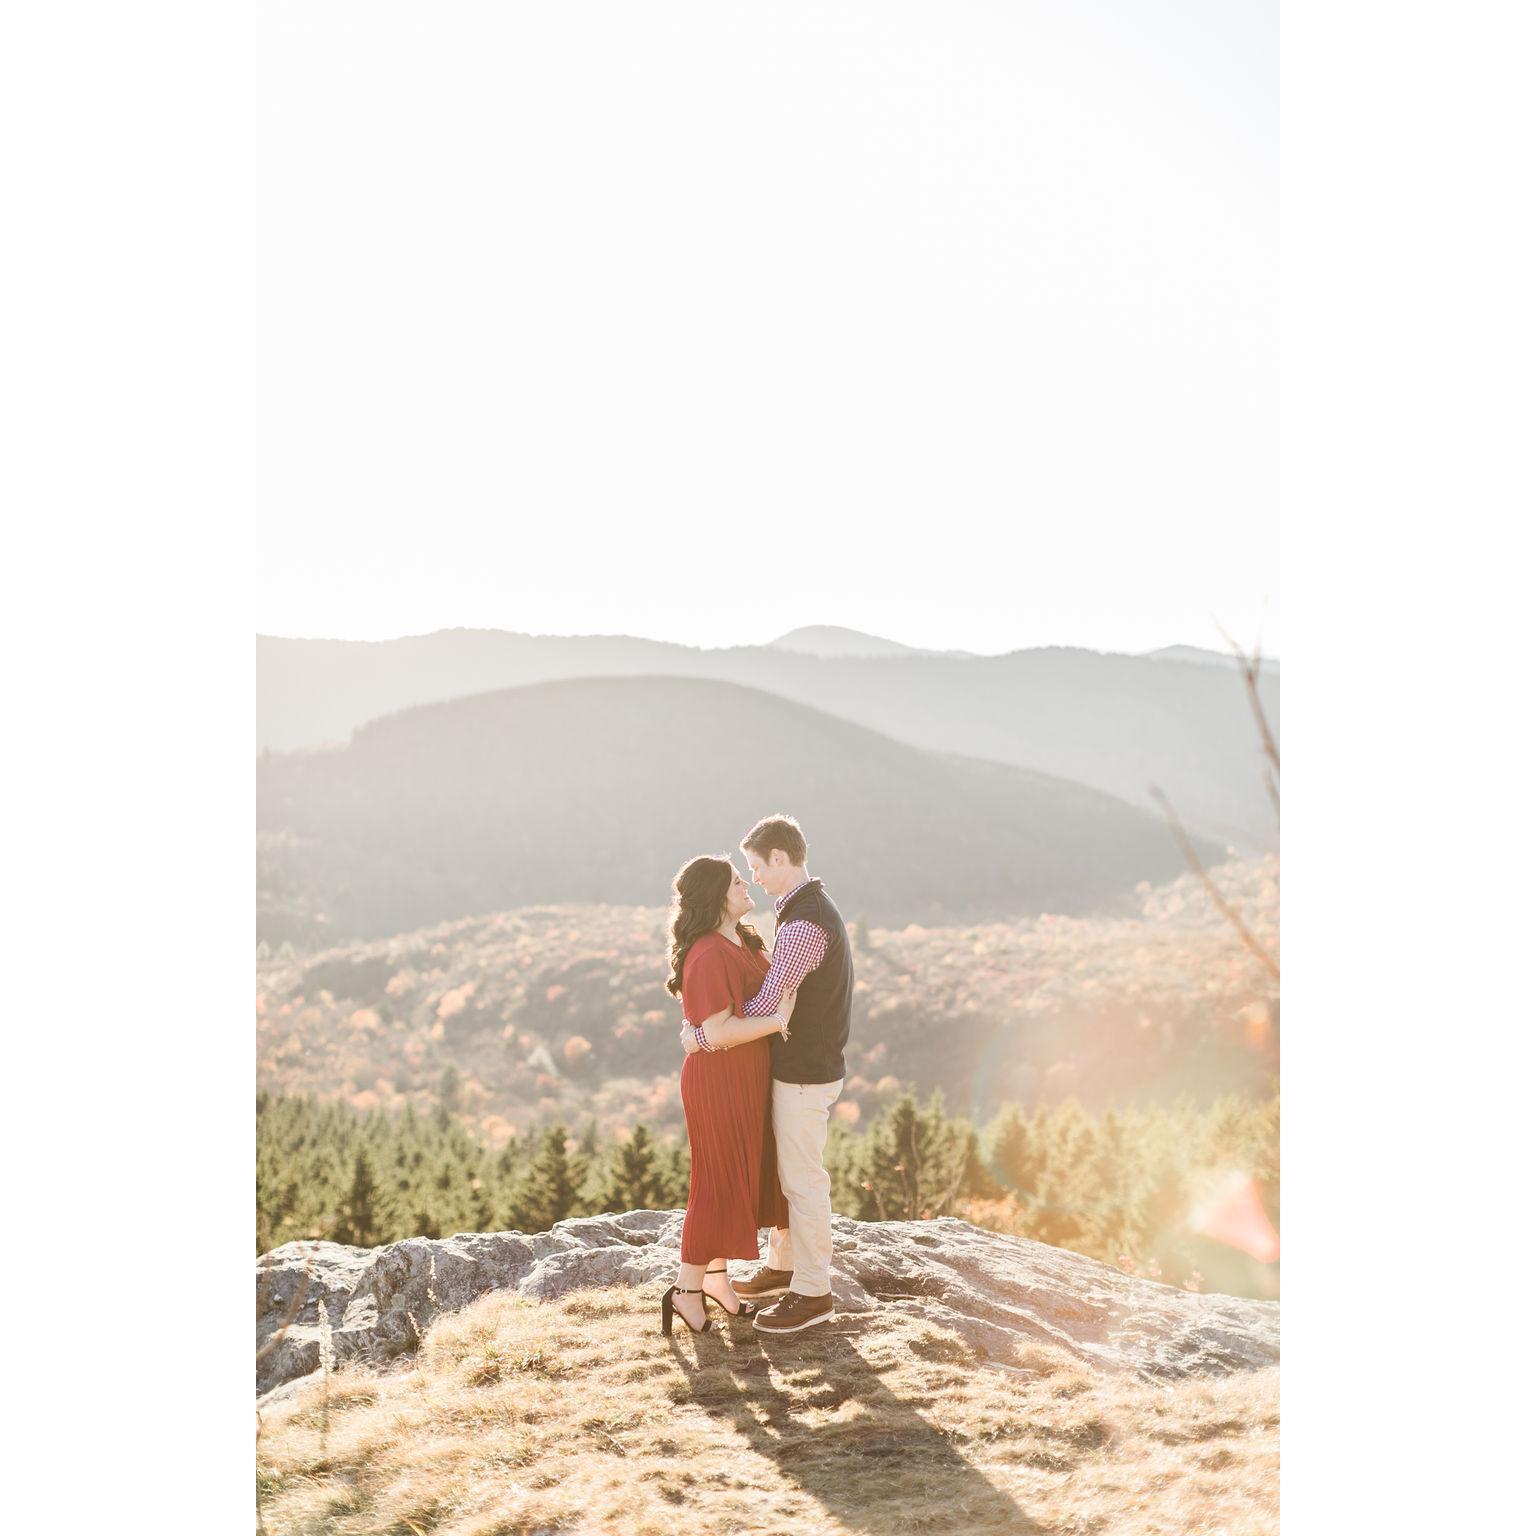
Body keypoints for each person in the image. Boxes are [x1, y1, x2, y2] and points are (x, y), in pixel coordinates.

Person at [681, 813, 853, 1335]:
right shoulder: (800, 911)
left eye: (755, 867)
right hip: (789, 1071)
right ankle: (782, 1267)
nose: (752, 877)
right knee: (786, 1176)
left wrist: (702, 1035)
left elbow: (765, 1002)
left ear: (780, 859)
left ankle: (812, 1291)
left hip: (803, 1072)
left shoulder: (802, 922)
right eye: (742, 873)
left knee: (802, 1181)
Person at [660, 853, 797, 1338]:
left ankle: (717, 1281)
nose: (747, 886)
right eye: (737, 881)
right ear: (716, 894)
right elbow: (717, 1031)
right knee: (715, 1185)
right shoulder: (707, 953)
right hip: (719, 1082)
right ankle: (686, 1290)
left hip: (747, 1078)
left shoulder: (739, 939)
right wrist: (778, 1022)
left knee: (735, 1179)